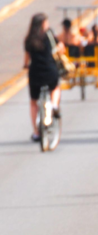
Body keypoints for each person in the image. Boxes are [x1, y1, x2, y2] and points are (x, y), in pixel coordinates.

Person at [23, 13, 64, 142]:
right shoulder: (49, 35)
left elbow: (26, 60)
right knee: (55, 88)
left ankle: (36, 132)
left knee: (33, 102)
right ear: (43, 24)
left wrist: (25, 66)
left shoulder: (29, 39)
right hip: (50, 70)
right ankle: (54, 105)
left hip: (35, 73)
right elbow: (61, 48)